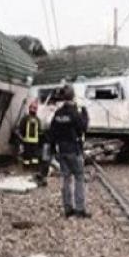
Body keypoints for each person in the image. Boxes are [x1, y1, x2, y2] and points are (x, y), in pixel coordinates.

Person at [49, 85, 90, 218]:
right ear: (72, 96)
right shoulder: (74, 112)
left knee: (66, 178)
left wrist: (52, 149)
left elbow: (52, 132)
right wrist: (84, 111)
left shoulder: (58, 113)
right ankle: (80, 209)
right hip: (73, 149)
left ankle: (68, 208)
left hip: (62, 149)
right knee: (79, 177)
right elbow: (83, 127)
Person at [17, 100, 42, 168]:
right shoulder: (37, 119)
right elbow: (40, 130)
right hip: (35, 142)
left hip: (27, 140)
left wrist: (21, 138)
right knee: (35, 156)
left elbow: (21, 129)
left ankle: (26, 168)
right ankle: (33, 168)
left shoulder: (25, 118)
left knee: (27, 156)